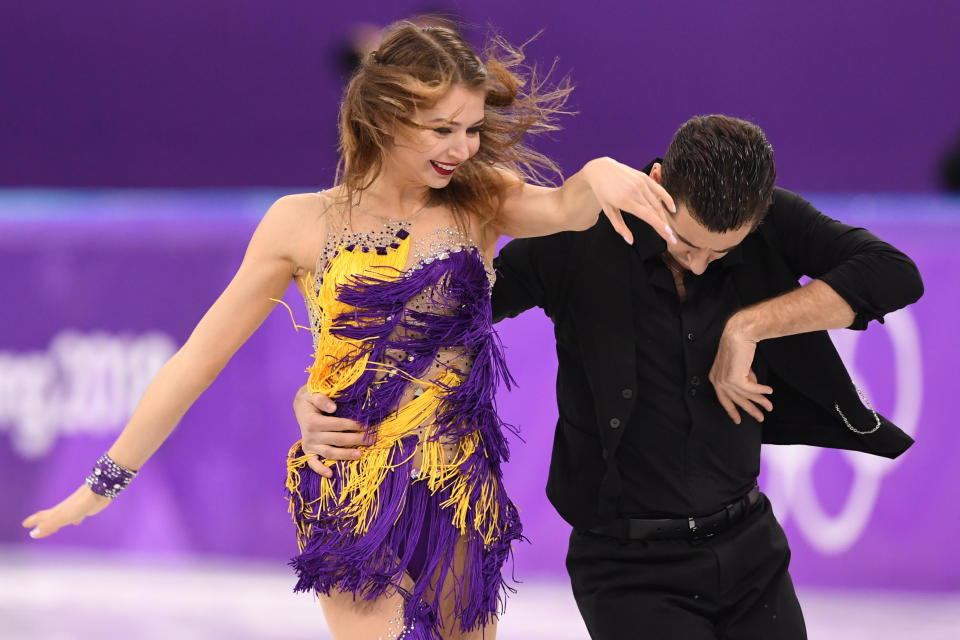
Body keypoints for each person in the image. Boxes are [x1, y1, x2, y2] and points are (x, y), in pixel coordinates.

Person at [20, 22, 678, 640]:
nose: (463, 148)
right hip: (350, 490)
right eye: (442, 128)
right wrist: (101, 485)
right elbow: (195, 363)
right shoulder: (299, 224)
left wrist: (597, 174)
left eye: (473, 129)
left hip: (459, 492)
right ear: (386, 117)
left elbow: (565, 205)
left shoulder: (480, 199)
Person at [292, 114, 924, 639]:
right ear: (656, 184)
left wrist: (748, 327)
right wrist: (318, 392)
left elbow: (893, 273)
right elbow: (446, 318)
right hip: (627, 568)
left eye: (722, 252)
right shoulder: (581, 236)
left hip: (751, 547)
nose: (701, 265)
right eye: (684, 241)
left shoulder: (772, 223)